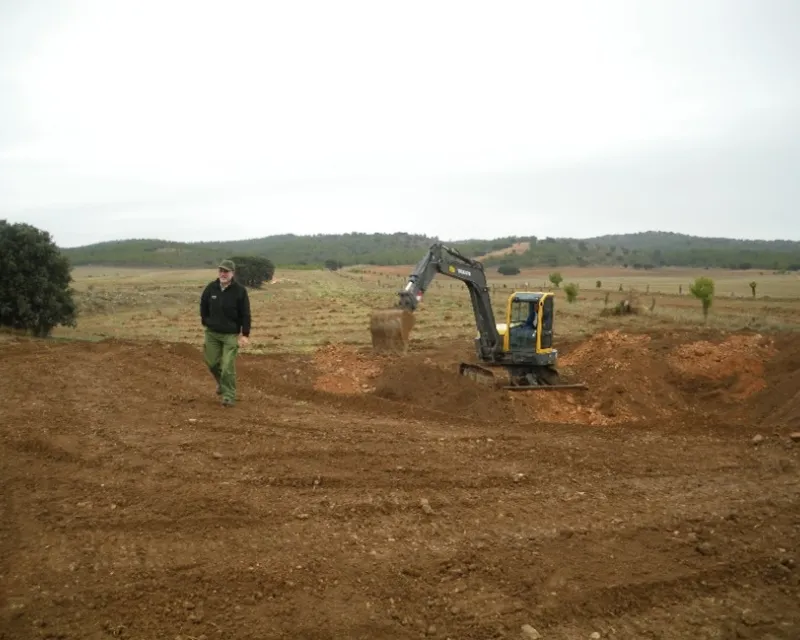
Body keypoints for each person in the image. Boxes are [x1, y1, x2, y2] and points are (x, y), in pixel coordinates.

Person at [199, 259, 251, 407]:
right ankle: (222, 384)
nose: (223, 274)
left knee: (227, 366)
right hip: (212, 333)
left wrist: (245, 334)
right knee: (212, 363)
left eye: (226, 271)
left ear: (232, 273)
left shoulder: (240, 291)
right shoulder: (211, 288)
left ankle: (228, 396)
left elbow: (245, 314)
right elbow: (203, 306)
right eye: (221, 271)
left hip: (230, 335)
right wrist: (207, 321)